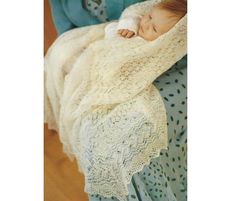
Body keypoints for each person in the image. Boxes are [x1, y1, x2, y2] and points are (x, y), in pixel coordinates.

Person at [47, 0, 187, 200]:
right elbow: (133, 17)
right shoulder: (140, 24)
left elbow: (145, 62)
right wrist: (125, 27)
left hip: (146, 77)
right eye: (148, 19)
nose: (145, 25)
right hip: (98, 55)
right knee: (93, 133)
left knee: (127, 140)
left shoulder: (157, 41)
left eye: (153, 28)